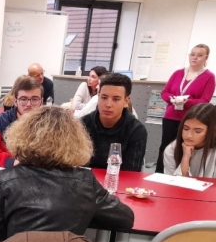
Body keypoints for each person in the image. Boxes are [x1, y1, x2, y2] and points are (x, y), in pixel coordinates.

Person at [0, 106, 134, 242]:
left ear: (23, 137)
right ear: (75, 141)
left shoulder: (7, 179)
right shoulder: (85, 182)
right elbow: (125, 219)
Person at [155, 44, 216, 173]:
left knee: (189, 147)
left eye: (200, 55)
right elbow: (165, 92)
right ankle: (160, 175)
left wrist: (186, 102)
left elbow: (205, 100)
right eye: (192, 54)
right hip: (171, 116)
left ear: (206, 58)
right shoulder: (178, 73)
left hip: (191, 119)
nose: (195, 58)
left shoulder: (209, 77)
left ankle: (185, 174)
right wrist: (172, 99)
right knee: (166, 147)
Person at [81, 73, 147, 172]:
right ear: (98, 97)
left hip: (118, 183)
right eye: (104, 97)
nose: (108, 104)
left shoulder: (136, 130)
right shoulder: (82, 124)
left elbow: (131, 173)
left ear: (126, 101)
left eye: (116, 99)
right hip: (85, 181)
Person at [0, 76, 43, 168]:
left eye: (34, 99)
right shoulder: (0, 121)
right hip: (10, 170)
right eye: (23, 99)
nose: (29, 104)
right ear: (15, 101)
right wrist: (11, 162)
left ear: (41, 101)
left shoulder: (49, 123)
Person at [163, 103, 216, 177]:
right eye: (186, 128)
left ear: (212, 131)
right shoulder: (172, 148)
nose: (189, 135)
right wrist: (185, 158)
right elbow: (171, 182)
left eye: (198, 131)